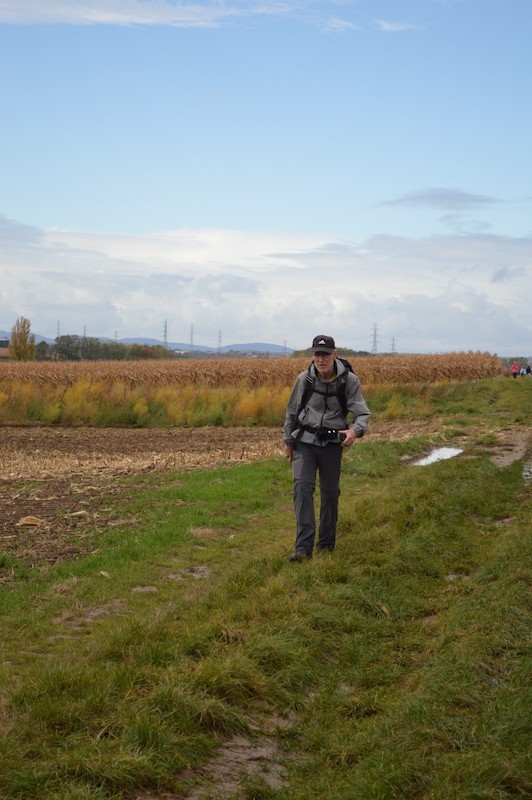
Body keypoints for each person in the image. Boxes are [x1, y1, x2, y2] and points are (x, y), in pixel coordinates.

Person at [283, 335, 371, 561]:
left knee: (330, 493)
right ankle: (303, 549)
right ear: (312, 356)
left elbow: (362, 413)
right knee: (302, 488)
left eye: (325, 354)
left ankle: (326, 545)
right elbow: (292, 412)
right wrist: (288, 441)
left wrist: (355, 430)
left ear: (334, 355)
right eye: (316, 354)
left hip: (332, 443)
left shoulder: (349, 381)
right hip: (305, 442)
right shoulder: (304, 380)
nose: (320, 359)